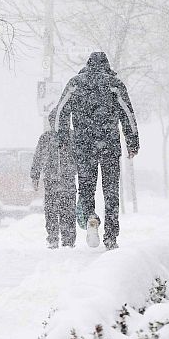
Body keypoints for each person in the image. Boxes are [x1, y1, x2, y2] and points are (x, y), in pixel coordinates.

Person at [53, 51, 139, 250]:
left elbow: (61, 112)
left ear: (88, 64)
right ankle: (111, 235)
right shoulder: (114, 84)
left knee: (86, 188)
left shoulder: (75, 83)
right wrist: (132, 142)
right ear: (106, 65)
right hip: (109, 146)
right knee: (111, 191)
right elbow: (128, 114)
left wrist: (62, 139)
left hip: (83, 146)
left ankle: (91, 216)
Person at [31, 108, 77, 249]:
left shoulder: (71, 137)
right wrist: (35, 175)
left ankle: (68, 239)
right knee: (52, 211)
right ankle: (53, 238)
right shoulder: (46, 138)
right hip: (52, 181)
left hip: (67, 180)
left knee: (68, 211)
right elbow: (38, 157)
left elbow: (80, 157)